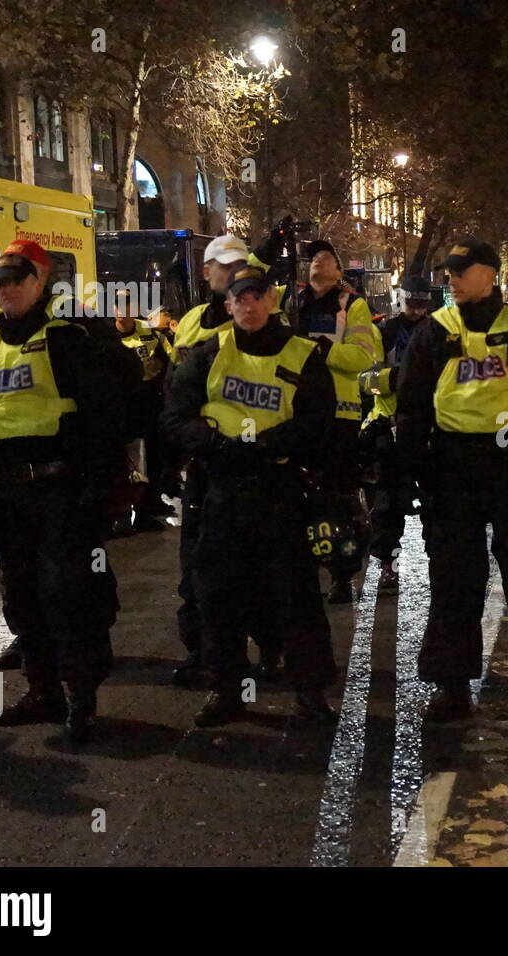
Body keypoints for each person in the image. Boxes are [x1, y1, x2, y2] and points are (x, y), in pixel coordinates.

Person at [0, 246, 125, 745]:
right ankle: (43, 690)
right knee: (23, 596)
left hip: (61, 486)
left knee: (70, 594)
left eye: (17, 281)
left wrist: (103, 484)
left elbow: (103, 414)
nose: (7, 289)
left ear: (38, 284)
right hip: (6, 489)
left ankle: (81, 697)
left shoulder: (67, 333)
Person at [395, 239, 508, 721]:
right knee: (455, 579)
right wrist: (410, 471)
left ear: (490, 274)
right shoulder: (437, 331)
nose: (451, 279)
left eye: (461, 270)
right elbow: (412, 407)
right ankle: (452, 683)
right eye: (449, 272)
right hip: (454, 466)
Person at [161, 264, 339, 726]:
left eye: (258, 296)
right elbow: (176, 417)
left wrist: (268, 446)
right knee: (219, 596)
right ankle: (226, 691)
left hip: (278, 489)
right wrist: (216, 444)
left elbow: (318, 425)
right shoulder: (207, 353)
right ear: (228, 304)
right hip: (220, 488)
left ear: (272, 300)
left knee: (295, 595)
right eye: (241, 297)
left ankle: (309, 690)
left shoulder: (303, 354)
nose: (250, 305)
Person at [165, 233, 253, 686]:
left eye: (240, 265)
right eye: (225, 265)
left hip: (252, 463)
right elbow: (174, 391)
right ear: (208, 271)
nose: (233, 273)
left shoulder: (258, 314)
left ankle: (265, 650)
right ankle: (203, 653)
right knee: (196, 564)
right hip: (203, 462)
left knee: (256, 569)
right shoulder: (194, 321)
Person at [288, 238, 382, 604]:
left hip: (338, 416)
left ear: (340, 271)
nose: (318, 262)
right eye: (312, 257)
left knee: (336, 499)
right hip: (293, 413)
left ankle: (342, 574)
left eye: (326, 257)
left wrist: (321, 349)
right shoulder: (288, 298)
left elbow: (363, 358)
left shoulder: (352, 305)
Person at [357, 275, 433, 594]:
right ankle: (388, 566)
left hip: (431, 428)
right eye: (411, 303)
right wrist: (396, 378)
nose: (416, 310)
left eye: (421, 305)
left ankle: (441, 563)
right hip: (391, 428)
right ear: (401, 299)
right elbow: (364, 380)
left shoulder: (440, 333)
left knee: (438, 502)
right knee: (387, 506)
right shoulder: (385, 332)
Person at [113, 291, 175, 533]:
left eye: (127, 305)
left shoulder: (150, 333)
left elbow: (171, 361)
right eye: (118, 305)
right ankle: (121, 514)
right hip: (122, 406)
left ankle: (147, 508)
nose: (122, 310)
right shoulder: (107, 337)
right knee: (126, 462)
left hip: (150, 404)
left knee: (154, 458)